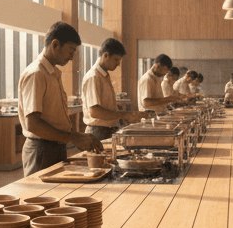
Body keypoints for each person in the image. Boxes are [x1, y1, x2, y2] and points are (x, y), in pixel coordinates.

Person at [18, 22, 103, 177]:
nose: (72, 57)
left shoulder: (52, 74)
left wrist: (75, 137)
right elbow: (33, 124)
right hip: (42, 148)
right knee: (40, 191)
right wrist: (74, 138)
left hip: (56, 146)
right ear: (55, 45)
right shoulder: (37, 74)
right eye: (71, 51)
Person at [80, 38, 151, 141]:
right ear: (105, 55)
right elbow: (95, 112)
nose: (118, 64)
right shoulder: (93, 77)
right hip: (98, 131)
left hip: (107, 129)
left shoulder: (104, 76)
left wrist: (128, 116)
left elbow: (108, 107)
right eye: (116, 59)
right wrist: (126, 114)